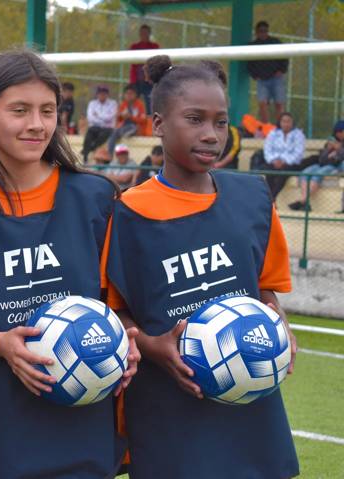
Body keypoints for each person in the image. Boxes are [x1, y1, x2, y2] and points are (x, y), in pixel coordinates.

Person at [0, 50, 139, 479]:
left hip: (82, 422)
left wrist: (127, 341)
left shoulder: (95, 198)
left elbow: (117, 307)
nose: (37, 124)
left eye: (47, 111)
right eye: (19, 111)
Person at [103, 54, 299, 479]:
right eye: (195, 119)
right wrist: (156, 347)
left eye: (220, 122)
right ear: (157, 124)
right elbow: (113, 311)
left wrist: (278, 325)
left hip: (251, 405)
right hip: (170, 407)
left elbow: (266, 288)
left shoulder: (252, 198)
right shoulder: (125, 213)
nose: (211, 135)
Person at [289, 120, 344, 211]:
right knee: (305, 173)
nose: (339, 134)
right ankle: (305, 202)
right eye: (339, 132)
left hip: (335, 166)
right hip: (323, 164)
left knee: (319, 173)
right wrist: (328, 150)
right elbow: (321, 159)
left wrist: (338, 150)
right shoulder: (331, 141)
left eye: (341, 132)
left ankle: (302, 201)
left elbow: (339, 160)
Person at [247, 21, 288, 124]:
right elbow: (249, 62)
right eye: (261, 31)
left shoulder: (275, 42)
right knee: (262, 103)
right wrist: (254, 75)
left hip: (276, 78)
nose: (263, 33)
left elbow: (285, 56)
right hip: (262, 80)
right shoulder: (253, 46)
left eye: (265, 31)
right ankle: (266, 126)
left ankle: (280, 127)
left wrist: (282, 70)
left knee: (279, 103)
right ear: (256, 32)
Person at [261, 112, 306, 200]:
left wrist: (284, 161)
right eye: (283, 121)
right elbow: (267, 150)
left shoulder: (298, 134)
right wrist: (274, 161)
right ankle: (271, 199)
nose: (286, 124)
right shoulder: (273, 133)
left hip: (291, 164)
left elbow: (298, 153)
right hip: (274, 162)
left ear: (292, 123)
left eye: (288, 121)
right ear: (280, 122)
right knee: (269, 172)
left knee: (284, 172)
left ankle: (271, 198)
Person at [107, 84, 147, 155]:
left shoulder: (140, 105)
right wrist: (121, 116)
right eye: (127, 93)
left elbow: (143, 120)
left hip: (136, 127)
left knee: (133, 127)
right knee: (113, 134)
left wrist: (130, 117)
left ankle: (130, 132)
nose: (129, 95)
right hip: (124, 127)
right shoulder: (123, 104)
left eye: (131, 93)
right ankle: (109, 155)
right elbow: (118, 120)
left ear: (135, 95)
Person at [82, 84, 117, 163]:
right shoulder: (92, 103)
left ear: (107, 94)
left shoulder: (113, 103)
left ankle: (91, 148)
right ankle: (85, 157)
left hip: (107, 128)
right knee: (89, 133)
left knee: (106, 133)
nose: (102, 95)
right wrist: (103, 118)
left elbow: (110, 117)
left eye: (104, 93)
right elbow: (91, 118)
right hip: (95, 127)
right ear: (97, 94)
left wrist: (98, 115)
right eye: (100, 93)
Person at [129, 25, 159, 115]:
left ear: (149, 34)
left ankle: (150, 124)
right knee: (132, 103)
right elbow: (133, 63)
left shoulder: (154, 46)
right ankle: (131, 124)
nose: (143, 35)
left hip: (149, 81)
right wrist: (132, 81)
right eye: (142, 33)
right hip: (136, 80)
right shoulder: (134, 47)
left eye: (145, 33)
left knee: (150, 103)